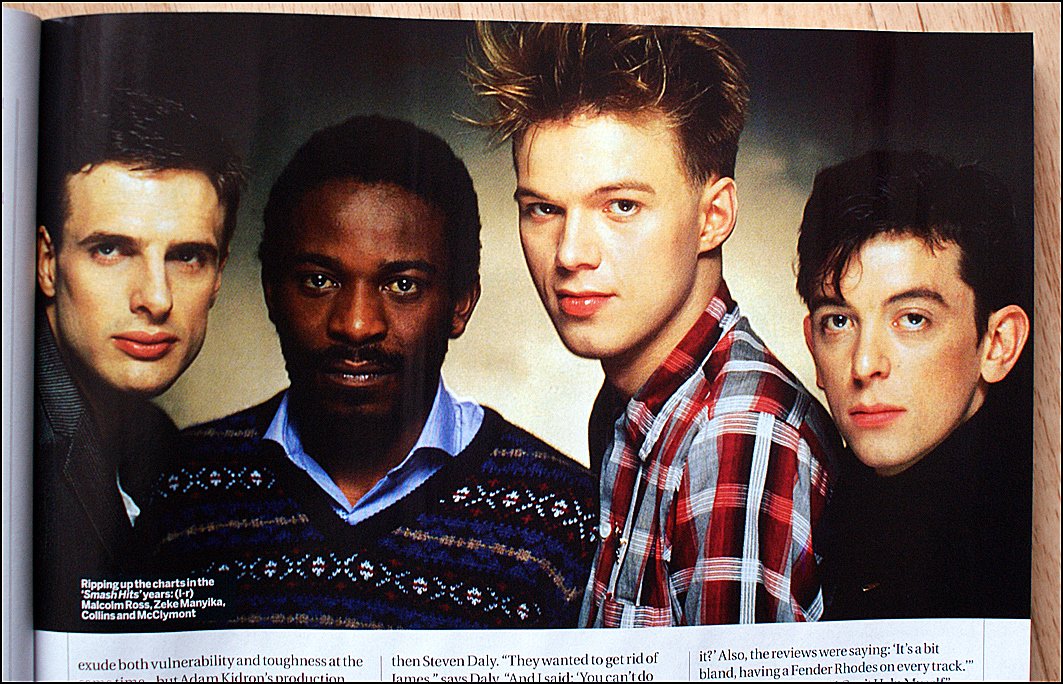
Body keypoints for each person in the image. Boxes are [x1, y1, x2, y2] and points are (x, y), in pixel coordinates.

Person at [139, 115, 598, 629]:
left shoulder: (560, 514)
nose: (356, 325)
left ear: (461, 303)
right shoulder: (179, 485)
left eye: (402, 285)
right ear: (271, 291)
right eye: (319, 281)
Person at [467, 23, 840, 626]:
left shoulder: (737, 435)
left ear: (713, 217)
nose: (570, 253)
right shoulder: (630, 408)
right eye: (543, 209)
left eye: (621, 206)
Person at [34, 88, 244, 630]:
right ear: (48, 262)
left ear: (218, 275)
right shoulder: (25, 451)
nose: (156, 297)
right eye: (110, 249)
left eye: (187, 256)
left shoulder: (159, 443)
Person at [797, 149, 1032, 619]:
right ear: (812, 346)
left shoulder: (1019, 547)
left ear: (997, 344)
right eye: (839, 321)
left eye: (912, 319)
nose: (864, 364)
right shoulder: (823, 503)